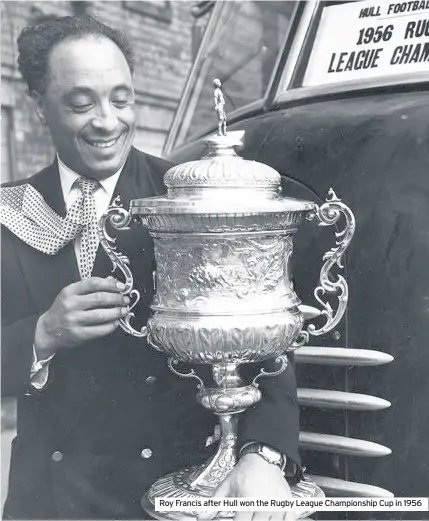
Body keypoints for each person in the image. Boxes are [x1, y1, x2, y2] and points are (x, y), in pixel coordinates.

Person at [1, 15, 301, 521]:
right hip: (49, 501)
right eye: (81, 103)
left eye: (122, 99)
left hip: (170, 495)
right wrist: (42, 333)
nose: (107, 121)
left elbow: (264, 338)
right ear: (38, 103)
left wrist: (265, 454)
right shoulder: (10, 212)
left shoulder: (189, 197)